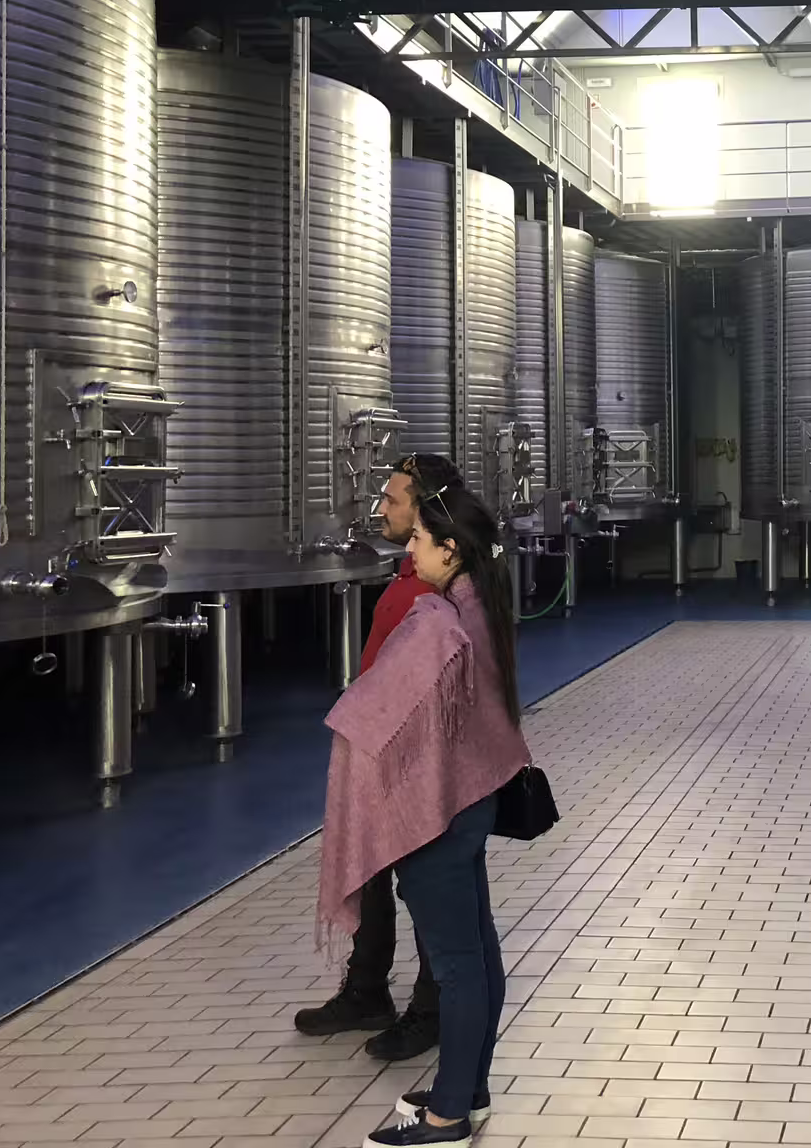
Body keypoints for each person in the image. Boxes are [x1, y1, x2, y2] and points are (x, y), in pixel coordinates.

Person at [317, 476, 529, 1147]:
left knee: (458, 964)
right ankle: (468, 1090)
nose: (409, 552)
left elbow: (378, 715)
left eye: (417, 540)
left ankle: (445, 1119)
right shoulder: (479, 605)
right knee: (477, 951)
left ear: (451, 549)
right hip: (470, 802)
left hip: (438, 814)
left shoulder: (438, 626)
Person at [294, 454, 464, 1061]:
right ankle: (367, 989)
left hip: (414, 760)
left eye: (394, 501)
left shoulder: (439, 598)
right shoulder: (406, 576)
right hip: (377, 751)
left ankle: (432, 1005)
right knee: (369, 872)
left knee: (424, 881)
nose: (382, 509)